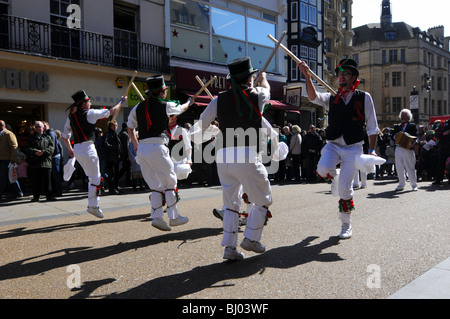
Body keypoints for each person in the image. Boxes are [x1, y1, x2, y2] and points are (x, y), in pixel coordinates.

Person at [192, 57, 273, 260]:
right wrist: (263, 78)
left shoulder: (218, 100)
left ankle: (230, 248)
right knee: (264, 198)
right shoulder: (258, 95)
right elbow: (266, 88)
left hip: (224, 156)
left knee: (230, 203)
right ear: (249, 78)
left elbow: (201, 124)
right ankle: (252, 239)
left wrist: (215, 128)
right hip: (246, 154)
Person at [298, 58, 380, 239]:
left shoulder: (364, 97)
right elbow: (313, 97)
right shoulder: (331, 98)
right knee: (322, 169)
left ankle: (346, 224)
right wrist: (307, 76)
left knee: (345, 189)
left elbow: (373, 127)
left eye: (346, 73)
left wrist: (372, 150)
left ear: (353, 77)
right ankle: (336, 177)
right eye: (340, 73)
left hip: (353, 147)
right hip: (333, 144)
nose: (341, 76)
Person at [127, 75, 192, 231]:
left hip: (142, 149)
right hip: (157, 147)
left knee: (155, 185)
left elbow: (130, 127)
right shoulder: (165, 105)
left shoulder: (138, 107)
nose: (165, 94)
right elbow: (181, 109)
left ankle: (157, 217)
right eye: (164, 91)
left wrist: (135, 145)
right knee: (170, 182)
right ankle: (174, 217)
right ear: (162, 91)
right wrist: (189, 102)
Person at [62, 89, 125, 218]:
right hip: (87, 148)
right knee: (95, 178)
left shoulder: (71, 117)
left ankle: (93, 204)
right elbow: (111, 112)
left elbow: (65, 136)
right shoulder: (89, 113)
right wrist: (121, 101)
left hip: (77, 149)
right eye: (89, 101)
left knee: (93, 177)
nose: (90, 103)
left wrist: (70, 149)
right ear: (84, 103)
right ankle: (93, 206)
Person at [24, 121, 56, 202]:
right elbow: (27, 148)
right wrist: (35, 151)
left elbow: (52, 148)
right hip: (35, 163)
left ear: (43, 128)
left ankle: (49, 196)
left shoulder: (48, 137)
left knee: (48, 181)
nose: (38, 128)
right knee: (35, 181)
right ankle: (36, 196)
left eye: (39, 126)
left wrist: (43, 152)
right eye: (36, 127)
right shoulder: (30, 137)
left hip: (46, 162)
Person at [392, 109, 418, 191]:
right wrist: (395, 136)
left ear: (408, 116)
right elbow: (392, 137)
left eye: (405, 115)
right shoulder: (396, 126)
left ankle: (414, 185)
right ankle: (401, 184)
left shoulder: (412, 126)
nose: (403, 116)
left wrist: (415, 142)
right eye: (402, 115)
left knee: (410, 167)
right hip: (399, 148)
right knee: (399, 167)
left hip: (408, 148)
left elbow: (415, 136)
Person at [0, 120, 21, 201]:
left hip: (7, 159)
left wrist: (13, 159)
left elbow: (14, 146)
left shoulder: (8, 134)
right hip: (1, 159)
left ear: (2, 126)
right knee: (9, 177)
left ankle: (1, 193)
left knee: (5, 177)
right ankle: (17, 192)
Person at [43, 121, 63, 197]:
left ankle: (58, 192)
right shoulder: (49, 133)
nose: (43, 127)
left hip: (54, 156)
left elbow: (52, 146)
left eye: (44, 125)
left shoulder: (50, 133)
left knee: (56, 175)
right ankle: (56, 191)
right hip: (54, 156)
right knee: (54, 175)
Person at [103, 120, 122, 194]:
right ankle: (112, 189)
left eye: (116, 125)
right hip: (111, 157)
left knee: (116, 173)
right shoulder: (108, 133)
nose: (115, 127)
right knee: (112, 174)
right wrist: (114, 147)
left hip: (116, 157)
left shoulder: (115, 134)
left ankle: (116, 187)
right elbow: (105, 144)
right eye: (114, 125)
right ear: (110, 126)